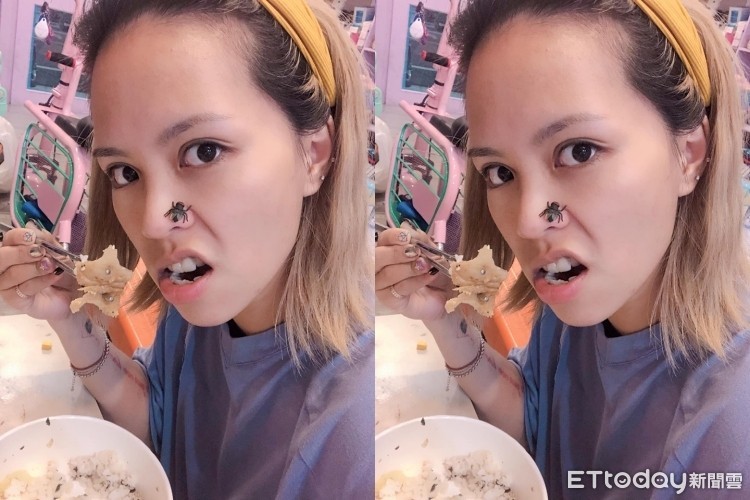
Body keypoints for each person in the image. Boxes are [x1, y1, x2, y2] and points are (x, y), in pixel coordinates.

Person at [375, 0, 750, 498]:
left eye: (579, 151)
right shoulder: (584, 297)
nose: (530, 220)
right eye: (500, 172)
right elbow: (536, 424)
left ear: (689, 153)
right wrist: (444, 317)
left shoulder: (726, 438)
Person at [0, 0, 373, 497]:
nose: (155, 221)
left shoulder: (355, 434)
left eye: (203, 151)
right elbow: (164, 423)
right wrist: (70, 319)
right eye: (125, 172)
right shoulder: (202, 301)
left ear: (314, 153)